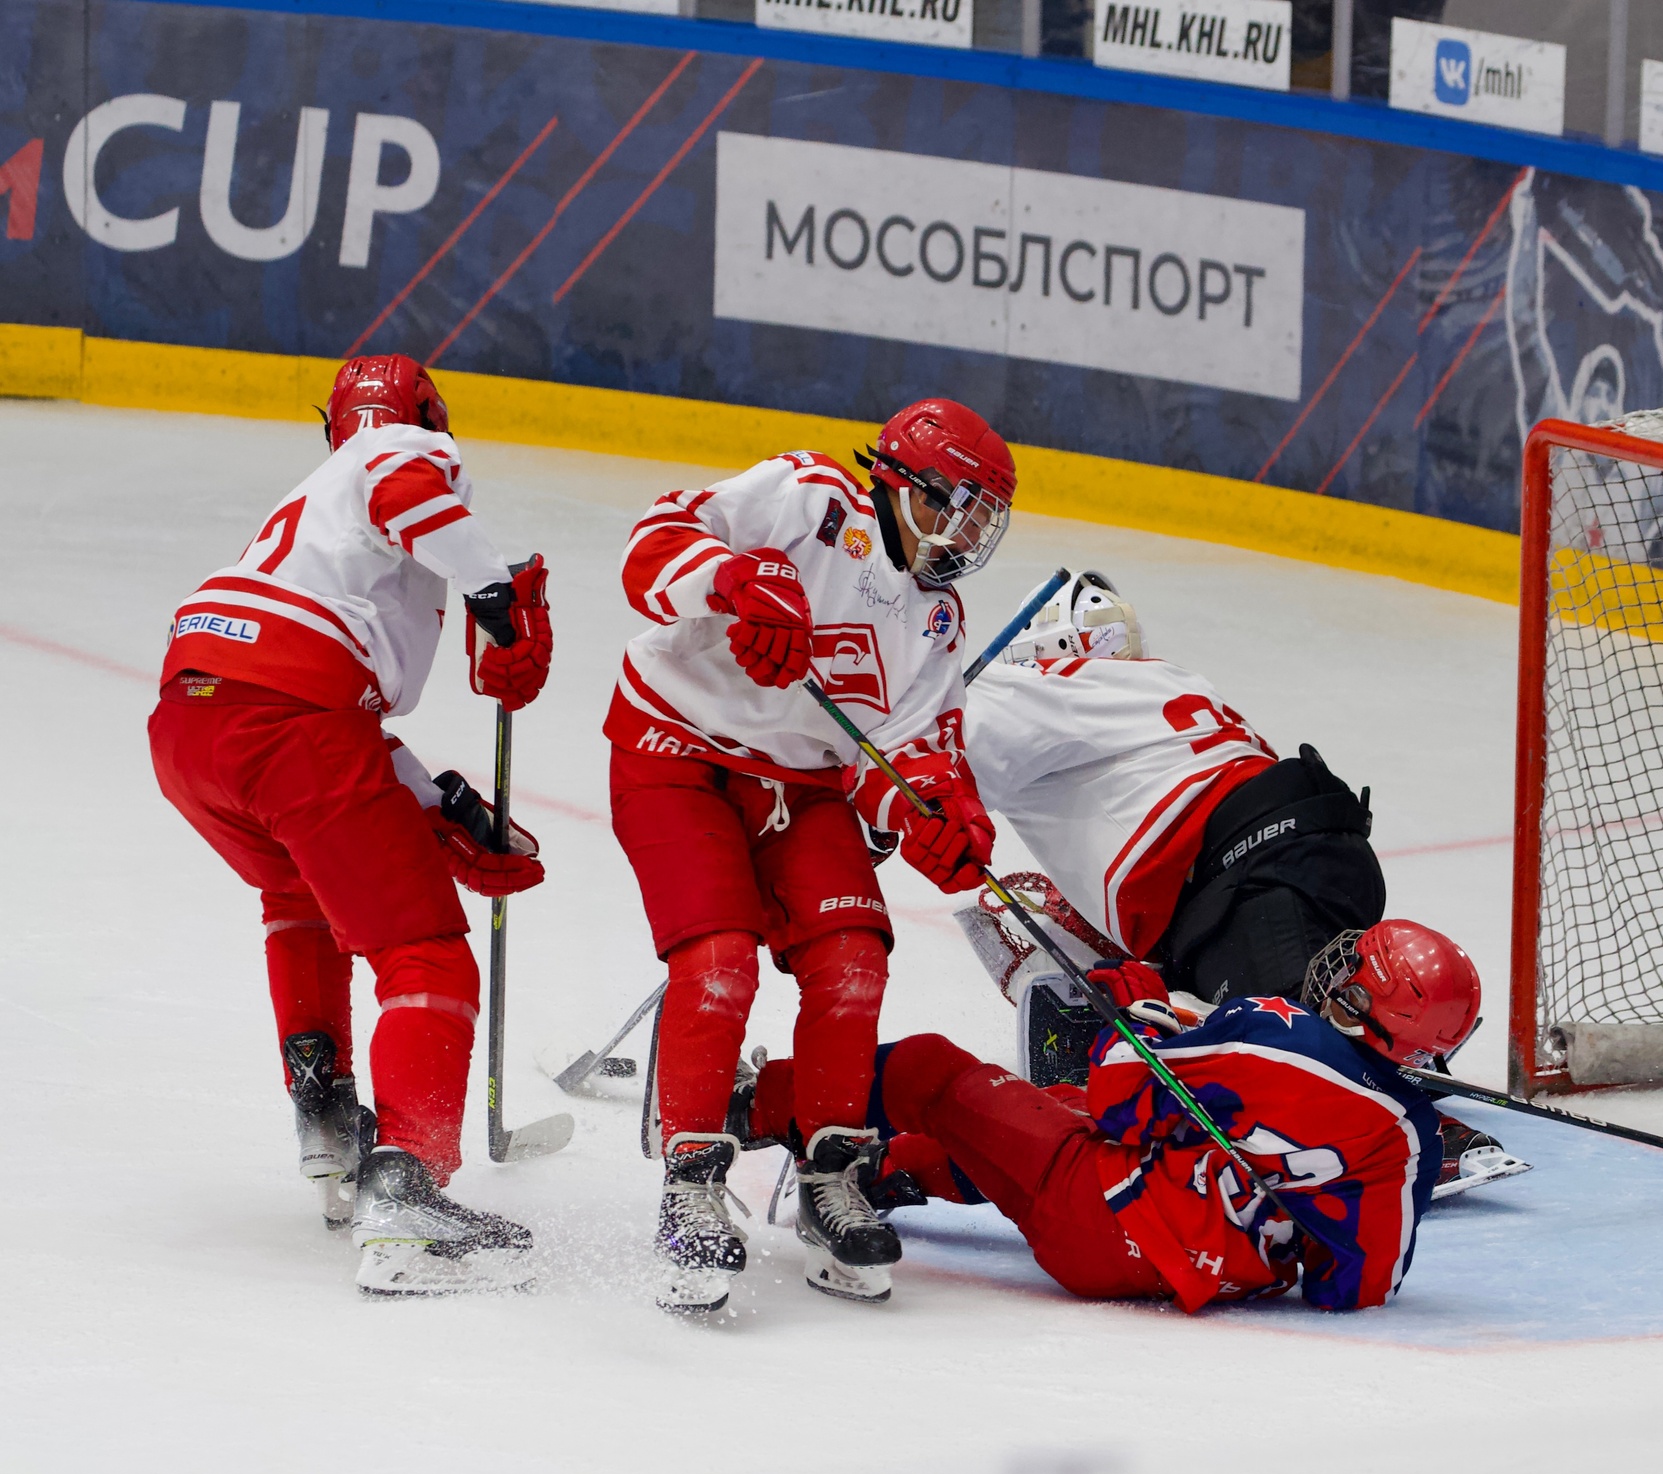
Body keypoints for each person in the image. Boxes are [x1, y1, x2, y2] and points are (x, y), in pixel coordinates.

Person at [146, 354, 554, 1295]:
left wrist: (437, 805)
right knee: (426, 954)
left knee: (296, 887)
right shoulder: (401, 451)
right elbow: (406, 489)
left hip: (190, 717)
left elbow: (326, 706)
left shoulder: (312, 508)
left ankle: (326, 1116)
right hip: (294, 722)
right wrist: (493, 594)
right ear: (429, 417)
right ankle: (407, 1193)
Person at [608, 398, 1013, 1311]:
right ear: (905, 485)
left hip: (803, 781)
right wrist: (732, 579)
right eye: (958, 509)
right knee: (720, 962)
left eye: (983, 521)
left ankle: (833, 1174)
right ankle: (690, 1182)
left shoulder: (937, 620)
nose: (966, 536)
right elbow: (654, 538)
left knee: (854, 960)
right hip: (676, 750)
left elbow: (910, 752)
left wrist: (942, 818)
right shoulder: (808, 496)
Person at [733, 920, 1481, 1312]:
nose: (1338, 968)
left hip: (1097, 1213)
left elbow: (1122, 1099)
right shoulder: (1411, 1137)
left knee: (932, 1068)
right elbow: (1355, 1287)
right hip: (1207, 1275)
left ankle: (743, 1103)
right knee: (1057, 1108)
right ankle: (883, 1171)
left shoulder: (1277, 1033)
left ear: (1361, 1003)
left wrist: (1137, 1013)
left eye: (1355, 971)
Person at [964, 571, 1385, 1005]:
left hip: (1249, 883)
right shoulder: (1175, 680)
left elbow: (937, 745)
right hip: (1325, 851)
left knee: (1286, 1038)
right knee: (1362, 1025)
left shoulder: (1044, 686)